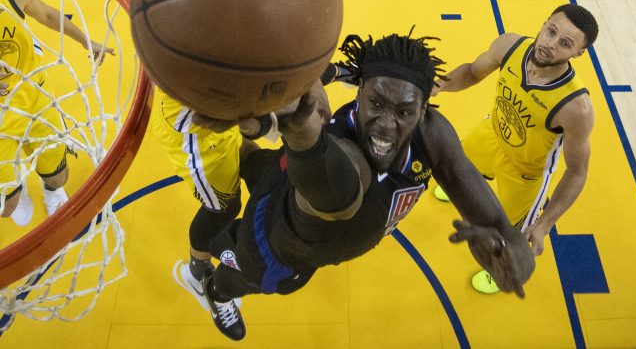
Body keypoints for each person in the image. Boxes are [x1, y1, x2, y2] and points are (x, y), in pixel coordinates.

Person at [152, 0, 473, 310]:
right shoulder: (182, 19)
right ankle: (197, 272)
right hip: (197, 129)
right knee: (223, 205)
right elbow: (241, 102)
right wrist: (296, 98)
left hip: (241, 104)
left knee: (274, 155)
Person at [191, 32, 535, 340]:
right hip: (276, 247)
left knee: (256, 164)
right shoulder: (346, 152)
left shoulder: (433, 133)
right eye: (377, 104)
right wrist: (301, 134)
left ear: (423, 108)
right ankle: (216, 291)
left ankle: (233, 156)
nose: (386, 125)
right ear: (360, 92)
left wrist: (514, 262)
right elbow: (339, 192)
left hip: (285, 178)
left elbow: (503, 230)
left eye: (404, 112)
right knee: (244, 279)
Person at [431, 3, 598, 294]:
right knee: (455, 171)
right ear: (544, 22)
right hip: (491, 134)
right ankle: (468, 184)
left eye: (565, 43)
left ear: (578, 54)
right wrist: (440, 84)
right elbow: (472, 72)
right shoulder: (510, 46)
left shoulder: (576, 108)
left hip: (525, 173)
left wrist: (545, 224)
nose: (550, 44)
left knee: (504, 239)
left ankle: (500, 274)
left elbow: (577, 172)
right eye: (551, 31)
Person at [0, 0, 114, 225]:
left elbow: (49, 15)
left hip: (33, 94)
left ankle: (50, 191)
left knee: (57, 175)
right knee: (8, 207)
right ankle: (17, 184)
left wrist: (87, 41)